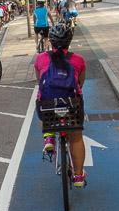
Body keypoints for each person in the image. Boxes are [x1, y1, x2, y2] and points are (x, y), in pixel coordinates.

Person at [34, 23, 87, 187]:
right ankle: (78, 176)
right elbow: (80, 83)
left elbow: (39, 83)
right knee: (76, 137)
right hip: (72, 105)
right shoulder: (78, 60)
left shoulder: (41, 58)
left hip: (48, 106)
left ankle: (48, 136)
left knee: (43, 104)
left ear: (50, 40)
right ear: (69, 42)